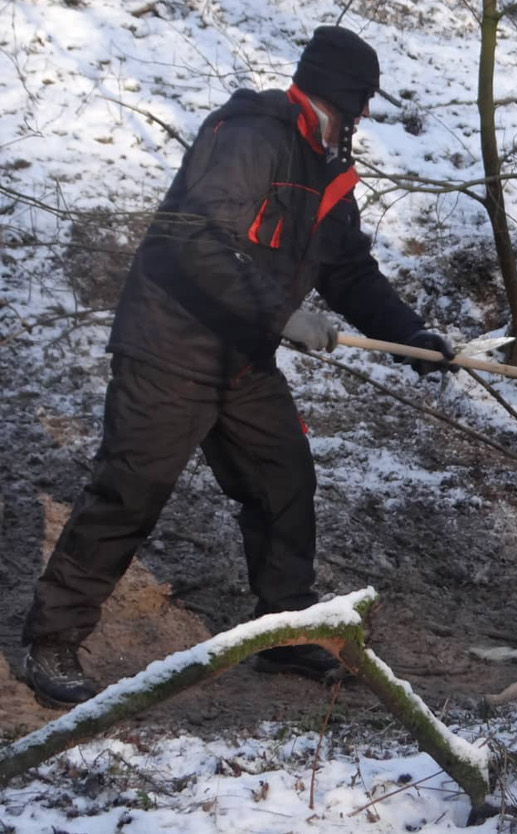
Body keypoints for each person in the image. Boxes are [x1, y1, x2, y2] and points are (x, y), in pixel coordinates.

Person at [20, 25, 454, 708]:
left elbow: (349, 271)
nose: (366, 118)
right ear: (340, 97)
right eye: (363, 102)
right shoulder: (252, 134)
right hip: (169, 346)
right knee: (128, 492)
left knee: (283, 479)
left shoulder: (331, 172)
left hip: (242, 358)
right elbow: (197, 241)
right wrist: (280, 317)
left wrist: (413, 336)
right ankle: (52, 640)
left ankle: (282, 633)